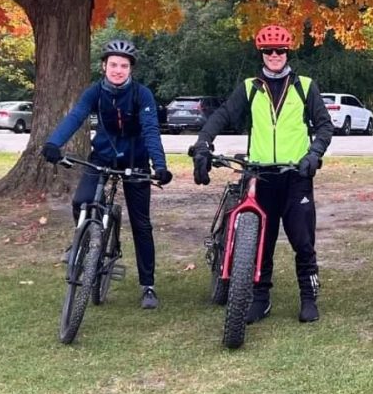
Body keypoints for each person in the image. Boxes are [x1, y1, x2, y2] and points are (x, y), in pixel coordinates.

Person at [189, 25, 334, 324]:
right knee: (261, 241)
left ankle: (308, 296)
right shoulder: (250, 87)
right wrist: (203, 141)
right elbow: (224, 114)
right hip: (261, 175)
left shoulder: (305, 86)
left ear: (288, 52)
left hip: (296, 174)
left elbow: (324, 126)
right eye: (268, 51)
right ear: (262, 54)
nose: (274, 56)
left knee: (302, 239)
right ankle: (260, 298)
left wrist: (313, 154)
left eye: (279, 50)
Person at [41, 39, 173, 310]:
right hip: (102, 157)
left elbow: (150, 129)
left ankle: (148, 285)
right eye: (113, 65)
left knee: (141, 225)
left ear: (130, 70)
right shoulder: (94, 93)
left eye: (123, 66)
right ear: (104, 67)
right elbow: (76, 116)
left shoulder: (141, 94)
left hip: (136, 161)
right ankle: (83, 242)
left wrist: (159, 165)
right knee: (81, 201)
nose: (118, 70)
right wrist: (54, 143)